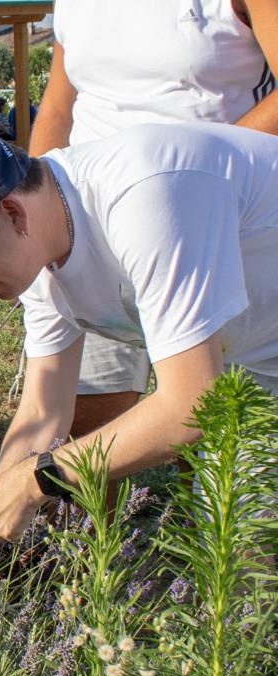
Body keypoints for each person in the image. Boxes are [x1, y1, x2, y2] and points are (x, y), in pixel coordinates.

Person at [0, 126, 278, 633]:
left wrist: (37, 480)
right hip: (253, 364)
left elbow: (193, 404)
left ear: (12, 213)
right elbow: (43, 412)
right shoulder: (39, 252)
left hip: (245, 366)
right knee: (239, 555)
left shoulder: (145, 196)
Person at [29, 0, 278, 438]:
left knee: (205, 425)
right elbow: (57, 109)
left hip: (217, 236)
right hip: (90, 237)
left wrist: (190, 179)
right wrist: (35, 228)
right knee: (87, 424)